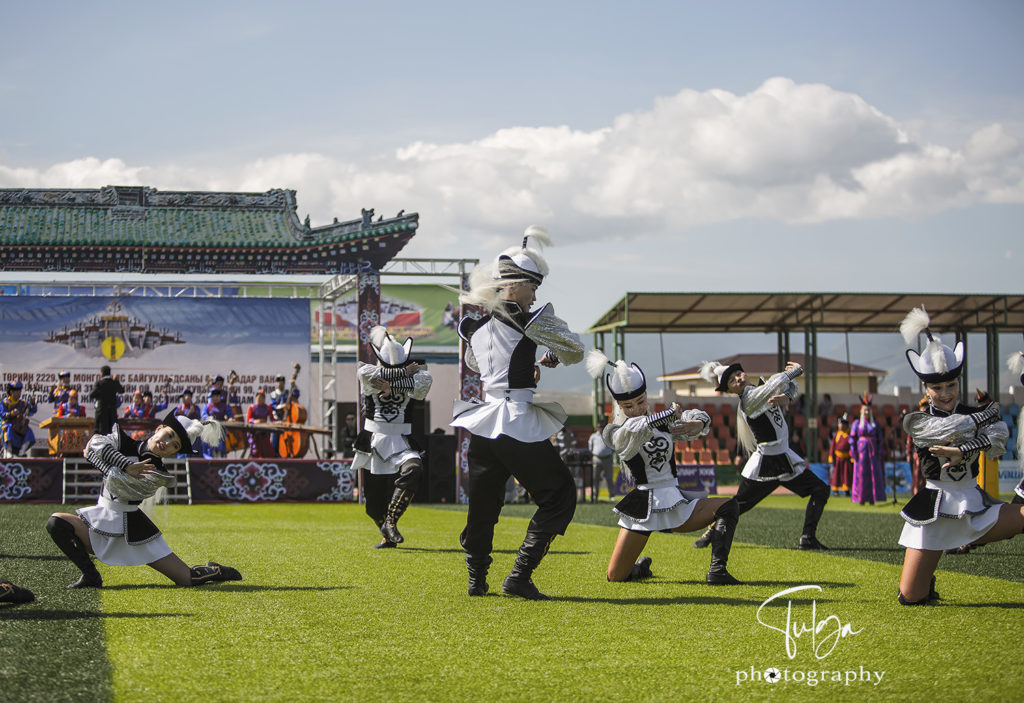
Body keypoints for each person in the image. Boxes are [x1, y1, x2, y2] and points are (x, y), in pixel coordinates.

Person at [451, 226, 584, 600]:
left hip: (483, 424)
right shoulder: (531, 318)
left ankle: (477, 580)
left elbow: (478, 365)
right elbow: (574, 349)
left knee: (484, 503)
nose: (537, 293)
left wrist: (526, 365)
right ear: (517, 284)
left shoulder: (474, 323)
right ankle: (519, 576)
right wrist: (552, 356)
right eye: (534, 286)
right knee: (559, 494)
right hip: (515, 420)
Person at [895, 307, 1020, 605]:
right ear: (925, 387)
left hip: (973, 504)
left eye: (951, 385)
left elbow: (1000, 441)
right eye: (937, 387)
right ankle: (927, 577)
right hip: (934, 508)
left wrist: (964, 448)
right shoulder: (918, 421)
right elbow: (945, 429)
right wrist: (984, 418)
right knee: (911, 597)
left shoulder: (972, 413)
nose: (946, 392)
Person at [587, 351, 741, 585]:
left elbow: (698, 417)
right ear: (618, 405)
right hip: (642, 506)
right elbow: (633, 430)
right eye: (628, 406)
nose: (636, 409)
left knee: (729, 506)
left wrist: (696, 422)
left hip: (673, 499)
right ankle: (638, 570)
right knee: (616, 577)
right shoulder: (614, 431)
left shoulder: (662, 422)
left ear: (647, 396)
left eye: (640, 402)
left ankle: (717, 571)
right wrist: (668, 415)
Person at [44, 410, 242, 589]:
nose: (168, 444)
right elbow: (95, 442)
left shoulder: (158, 473)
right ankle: (91, 575)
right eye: (170, 435)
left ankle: (213, 569)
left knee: (186, 579)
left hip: (135, 528)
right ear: (160, 428)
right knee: (56, 522)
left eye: (175, 446)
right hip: (102, 517)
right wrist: (124, 464)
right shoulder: (124, 441)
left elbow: (116, 482)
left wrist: (98, 459)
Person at [694, 359, 831, 550]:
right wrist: (796, 371)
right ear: (730, 391)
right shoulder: (750, 399)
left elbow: (789, 385)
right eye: (732, 381)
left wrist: (788, 397)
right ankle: (711, 531)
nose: (738, 379)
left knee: (820, 490)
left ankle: (808, 538)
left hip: (783, 458)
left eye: (739, 374)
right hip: (767, 462)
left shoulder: (759, 389)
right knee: (736, 506)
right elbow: (777, 382)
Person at [352, 326, 432, 548]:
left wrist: (392, 383)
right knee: (373, 506)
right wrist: (402, 375)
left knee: (414, 470)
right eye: (387, 366)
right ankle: (386, 532)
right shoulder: (368, 372)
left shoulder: (420, 376)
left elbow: (424, 384)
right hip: (374, 440)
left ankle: (391, 523)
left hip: (402, 439)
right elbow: (365, 374)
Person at [851, 394, 887, 505]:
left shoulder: (875, 424)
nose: (867, 413)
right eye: (865, 411)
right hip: (861, 452)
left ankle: (872, 498)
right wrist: (853, 451)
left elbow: (880, 439)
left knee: (873, 474)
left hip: (872, 452)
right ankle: (861, 498)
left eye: (868, 411)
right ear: (862, 412)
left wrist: (881, 451)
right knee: (861, 474)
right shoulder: (857, 424)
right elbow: (852, 438)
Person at [1, 381, 37, 458]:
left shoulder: (23, 402)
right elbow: (2, 414)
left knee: (29, 431)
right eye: (17, 391)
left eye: (20, 391)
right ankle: (8, 450)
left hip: (19, 425)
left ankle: (22, 451)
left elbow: (32, 411)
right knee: (9, 428)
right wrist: (11, 413)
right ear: (11, 392)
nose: (19, 393)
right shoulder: (5, 402)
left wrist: (33, 404)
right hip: (8, 423)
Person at [89, 365, 123, 435]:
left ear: (101, 373)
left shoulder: (99, 383)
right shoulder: (113, 383)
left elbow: (91, 395)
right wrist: (116, 381)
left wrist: (100, 394)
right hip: (112, 414)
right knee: (112, 434)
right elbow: (121, 390)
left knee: (100, 435)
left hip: (101, 414)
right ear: (109, 373)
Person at [201, 389, 234, 457]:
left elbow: (230, 415)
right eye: (214, 396)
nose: (215, 398)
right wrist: (209, 418)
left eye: (217, 396)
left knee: (220, 446)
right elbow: (204, 415)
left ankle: (220, 458)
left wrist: (230, 418)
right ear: (211, 397)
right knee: (209, 447)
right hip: (210, 430)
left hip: (220, 429)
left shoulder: (224, 406)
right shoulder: (207, 406)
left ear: (220, 397)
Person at [589, 419, 617, 500]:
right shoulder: (593, 436)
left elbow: (613, 446)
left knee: (609, 478)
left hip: (607, 459)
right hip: (596, 459)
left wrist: (609, 453)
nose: (600, 428)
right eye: (598, 427)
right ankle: (595, 496)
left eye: (602, 427)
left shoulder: (609, 436)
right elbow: (590, 448)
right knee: (595, 478)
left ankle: (612, 496)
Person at [246, 389, 277, 458]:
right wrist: (255, 421)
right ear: (256, 398)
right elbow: (248, 419)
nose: (260, 399)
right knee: (256, 449)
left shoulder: (268, 407)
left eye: (262, 397)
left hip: (264, 432)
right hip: (255, 432)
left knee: (267, 450)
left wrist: (277, 422)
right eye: (259, 397)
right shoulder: (252, 407)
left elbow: (272, 419)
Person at [828, 415, 852, 496]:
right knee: (837, 475)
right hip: (838, 458)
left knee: (846, 475)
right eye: (839, 424)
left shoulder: (850, 434)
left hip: (847, 459)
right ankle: (835, 490)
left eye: (841, 424)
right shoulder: (837, 434)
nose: (840, 426)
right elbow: (833, 446)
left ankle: (847, 490)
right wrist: (831, 457)